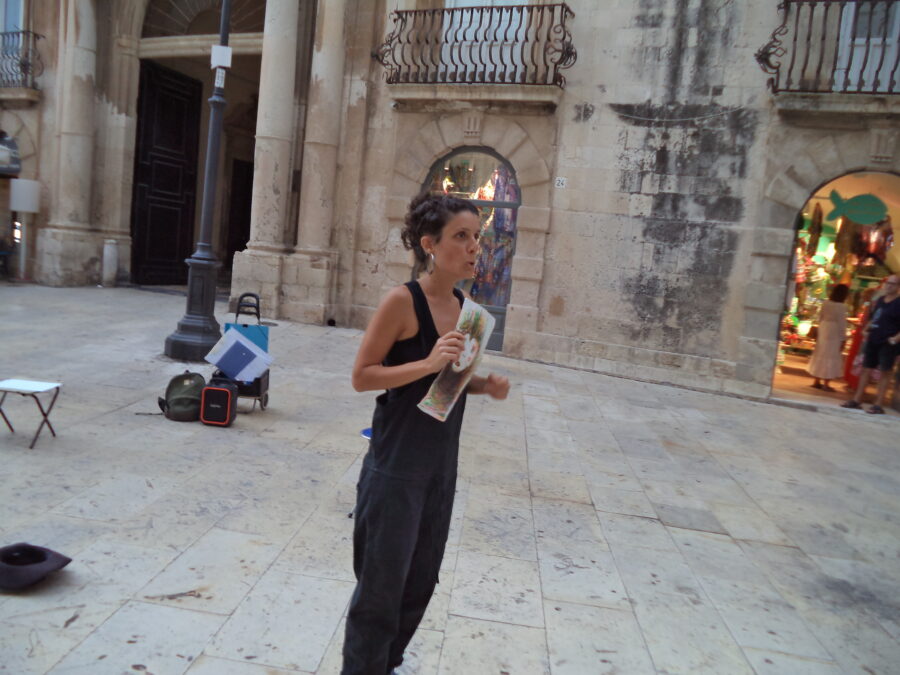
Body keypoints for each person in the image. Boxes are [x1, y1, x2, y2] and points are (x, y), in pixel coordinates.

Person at [342, 193, 510, 674]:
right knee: (379, 590)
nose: (475, 246)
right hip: (395, 468)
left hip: (439, 469)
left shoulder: (468, 310)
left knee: (420, 582)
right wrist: (428, 361)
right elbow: (362, 376)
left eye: (477, 236)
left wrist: (482, 385)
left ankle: (387, 665)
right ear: (430, 244)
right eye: (461, 236)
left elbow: (446, 383)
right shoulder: (401, 302)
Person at [842, 274, 900, 414]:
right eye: (887, 283)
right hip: (874, 338)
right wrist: (866, 330)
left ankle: (878, 403)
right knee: (866, 369)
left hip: (888, 341)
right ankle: (857, 399)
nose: (888, 286)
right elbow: (874, 318)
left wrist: (895, 339)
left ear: (898, 287)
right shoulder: (880, 300)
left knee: (885, 372)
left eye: (892, 284)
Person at [807, 284, 849, 391]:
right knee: (832, 354)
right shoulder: (841, 306)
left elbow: (820, 316)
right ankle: (826, 383)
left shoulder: (826, 303)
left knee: (820, 353)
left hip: (824, 327)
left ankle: (816, 380)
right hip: (834, 330)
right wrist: (843, 338)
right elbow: (842, 323)